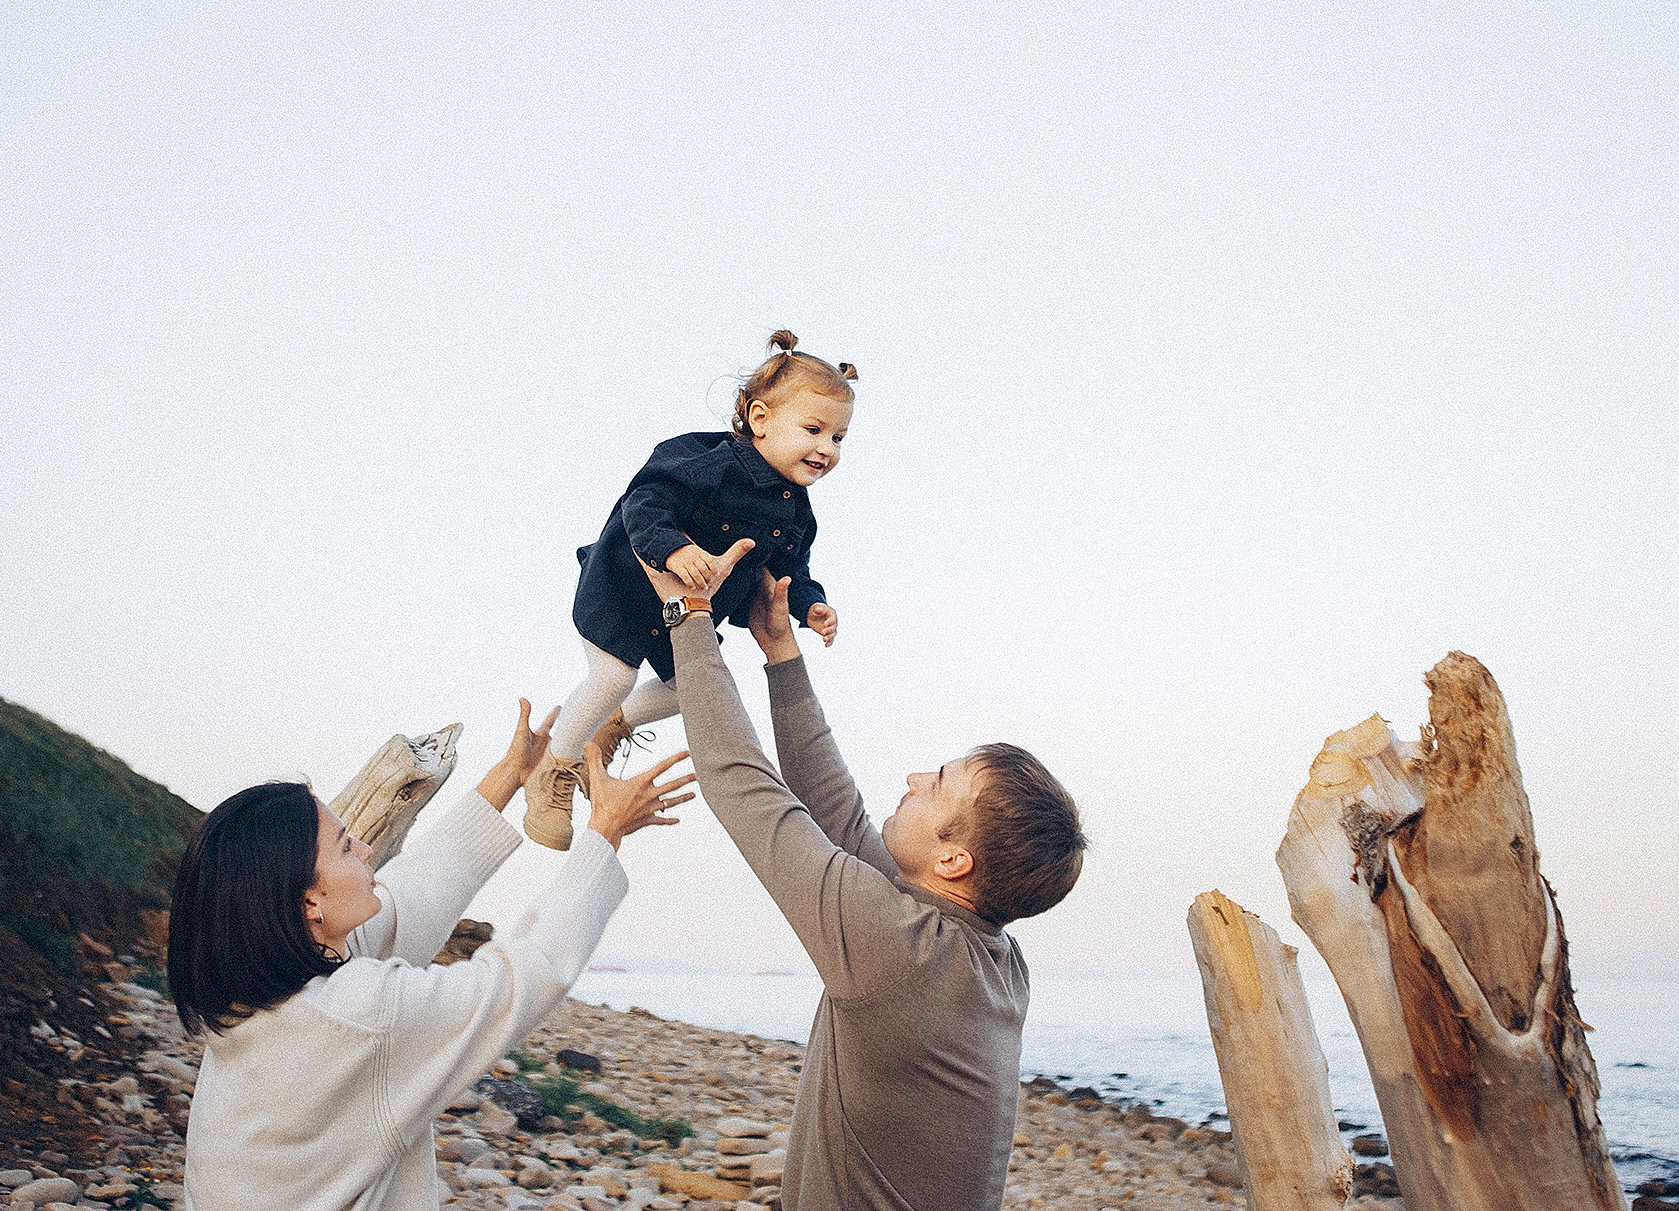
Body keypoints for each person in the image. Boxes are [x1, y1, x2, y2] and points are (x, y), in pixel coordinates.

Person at [643, 544, 1086, 1211]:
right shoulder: (991, 958)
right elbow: (840, 820)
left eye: (937, 784)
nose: (913, 779)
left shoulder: (901, 950)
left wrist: (689, 612)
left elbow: (741, 781)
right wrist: (781, 653)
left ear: (953, 860)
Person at [167, 701, 696, 1211]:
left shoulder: (252, 990)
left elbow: (413, 894)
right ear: (310, 901)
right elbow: (516, 983)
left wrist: (511, 774)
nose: (369, 850)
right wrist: (604, 834)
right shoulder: (353, 1014)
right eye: (348, 846)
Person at [523, 329, 858, 850]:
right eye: (813, 429)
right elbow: (646, 502)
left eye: (837, 438)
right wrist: (673, 550)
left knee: (701, 688)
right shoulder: (708, 461)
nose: (825, 448)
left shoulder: (796, 512)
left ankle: (610, 728)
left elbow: (794, 566)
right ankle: (553, 767)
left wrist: (810, 605)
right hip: (626, 591)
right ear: (760, 420)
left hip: (684, 616)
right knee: (613, 675)